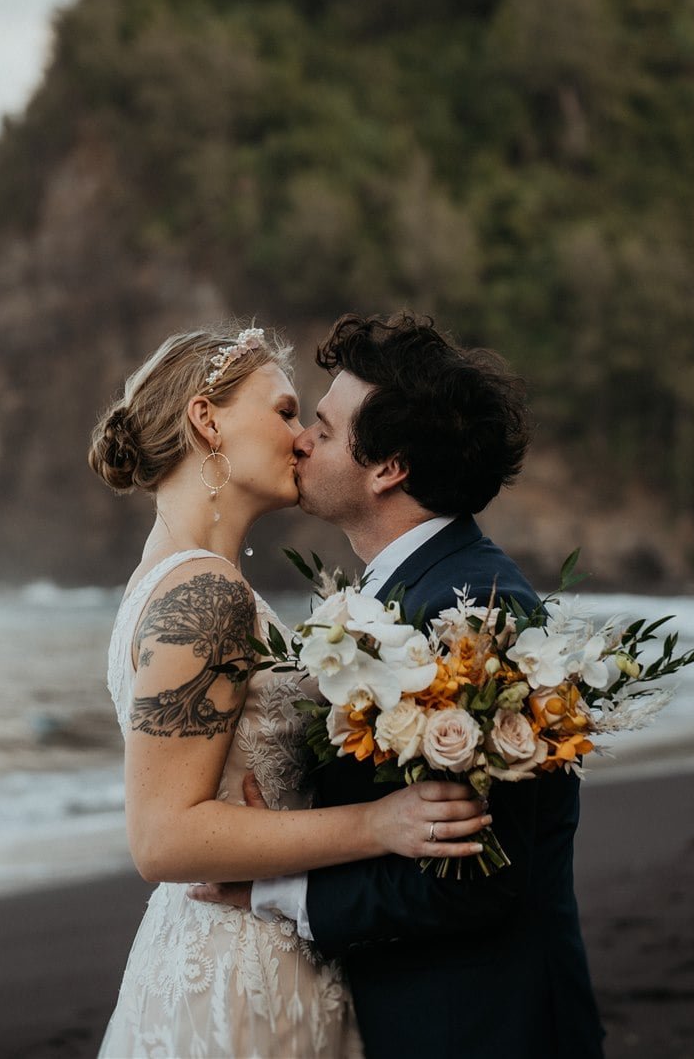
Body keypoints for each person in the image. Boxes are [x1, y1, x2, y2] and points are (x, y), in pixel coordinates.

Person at [191, 312, 607, 1058]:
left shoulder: (475, 613)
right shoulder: (412, 590)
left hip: (478, 1030)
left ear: (388, 468)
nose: (302, 440)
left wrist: (274, 889)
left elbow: (473, 878)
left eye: (323, 424)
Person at [89, 322, 490, 1059]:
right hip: (238, 975)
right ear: (207, 420)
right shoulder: (205, 591)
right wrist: (378, 823)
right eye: (283, 411)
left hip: (259, 942)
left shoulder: (176, 573)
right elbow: (162, 835)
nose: (303, 435)